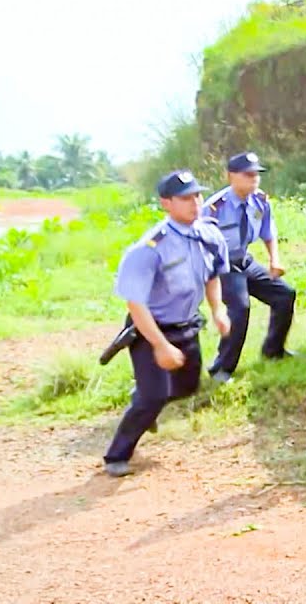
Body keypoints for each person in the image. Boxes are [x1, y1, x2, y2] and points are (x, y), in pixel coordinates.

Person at [103, 170, 230, 477]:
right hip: (150, 329)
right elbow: (136, 304)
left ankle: (147, 403)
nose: (195, 203)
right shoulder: (150, 248)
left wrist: (218, 310)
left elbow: (212, 275)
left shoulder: (209, 235)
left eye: (197, 195)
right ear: (166, 203)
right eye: (185, 198)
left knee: (188, 385)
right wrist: (160, 345)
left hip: (186, 326)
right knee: (153, 395)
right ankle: (116, 455)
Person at [204, 152, 296, 383]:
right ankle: (222, 368)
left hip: (245, 260)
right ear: (231, 176)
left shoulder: (260, 202)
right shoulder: (215, 207)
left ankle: (273, 351)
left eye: (257, 174)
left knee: (284, 295)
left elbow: (268, 232)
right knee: (240, 309)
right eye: (248, 175)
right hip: (223, 265)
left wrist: (274, 260)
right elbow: (200, 242)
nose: (254, 179)